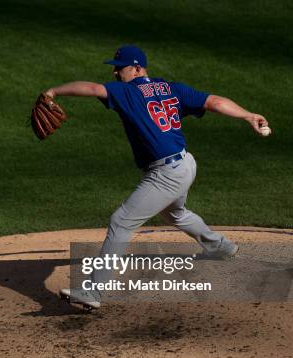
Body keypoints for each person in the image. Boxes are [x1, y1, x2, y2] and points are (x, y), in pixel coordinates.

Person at [46, 45, 270, 310]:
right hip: (185, 163)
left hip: (165, 174)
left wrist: (53, 91)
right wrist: (247, 115)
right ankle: (221, 247)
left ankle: (93, 291)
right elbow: (214, 102)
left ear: (138, 68)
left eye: (121, 67)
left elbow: (94, 88)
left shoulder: (127, 92)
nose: (116, 73)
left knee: (121, 221)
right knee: (175, 214)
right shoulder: (171, 88)